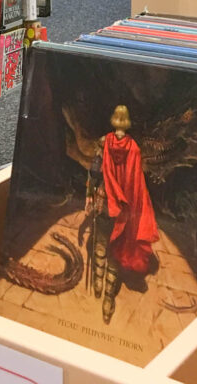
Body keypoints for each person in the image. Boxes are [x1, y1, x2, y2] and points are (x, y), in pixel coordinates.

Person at [80, 105, 158, 324]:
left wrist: (89, 195)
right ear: (127, 122)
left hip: (104, 202)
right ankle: (107, 300)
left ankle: (97, 283)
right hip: (123, 208)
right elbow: (135, 181)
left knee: (101, 243)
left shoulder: (103, 142)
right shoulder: (134, 148)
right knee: (117, 250)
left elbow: (95, 171)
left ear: (114, 120)